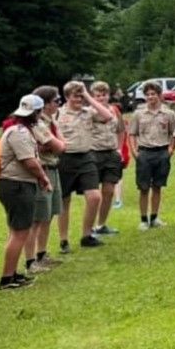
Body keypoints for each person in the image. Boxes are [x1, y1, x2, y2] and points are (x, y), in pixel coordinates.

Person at [0, 95, 53, 289]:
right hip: (17, 184)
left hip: (18, 184)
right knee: (20, 232)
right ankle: (6, 278)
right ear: (35, 113)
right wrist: (44, 179)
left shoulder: (20, 130)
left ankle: (12, 273)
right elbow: (29, 161)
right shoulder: (19, 132)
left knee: (17, 231)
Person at [56, 80, 114, 250]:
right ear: (67, 97)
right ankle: (64, 240)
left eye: (81, 96)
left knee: (95, 196)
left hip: (86, 157)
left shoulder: (89, 112)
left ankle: (86, 235)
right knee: (64, 200)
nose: (79, 99)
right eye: (75, 96)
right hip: (65, 158)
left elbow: (107, 116)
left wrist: (88, 96)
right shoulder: (58, 114)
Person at [127, 81, 175, 230]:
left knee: (157, 186)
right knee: (143, 188)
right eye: (148, 94)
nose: (150, 97)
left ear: (159, 95)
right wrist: (134, 152)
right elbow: (132, 134)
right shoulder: (138, 113)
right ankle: (143, 219)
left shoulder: (169, 113)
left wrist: (170, 150)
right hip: (144, 152)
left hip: (162, 152)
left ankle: (155, 217)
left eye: (153, 94)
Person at [29, 86, 65, 271]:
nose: (59, 104)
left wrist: (54, 143)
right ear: (45, 104)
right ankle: (31, 261)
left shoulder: (51, 121)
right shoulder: (37, 123)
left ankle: (41, 253)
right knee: (37, 217)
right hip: (41, 169)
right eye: (56, 101)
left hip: (52, 166)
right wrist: (54, 144)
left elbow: (59, 144)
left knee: (49, 214)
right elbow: (59, 146)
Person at [90, 81, 127, 236]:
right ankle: (89, 227)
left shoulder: (114, 110)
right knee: (93, 194)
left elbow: (121, 130)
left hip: (111, 153)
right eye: (98, 95)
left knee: (109, 190)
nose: (101, 98)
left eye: (104, 95)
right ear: (93, 96)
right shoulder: (88, 112)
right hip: (94, 153)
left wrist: (119, 149)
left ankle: (101, 224)